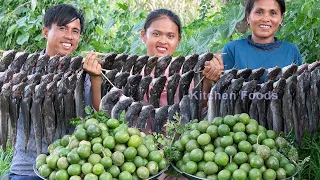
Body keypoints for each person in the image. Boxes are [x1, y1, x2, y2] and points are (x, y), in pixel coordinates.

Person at [84, 8, 223, 111]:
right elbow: (102, 109)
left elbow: (201, 107)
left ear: (178, 40)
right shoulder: (128, 71)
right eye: (156, 34)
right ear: (144, 35)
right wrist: (96, 77)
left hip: (180, 145)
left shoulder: (188, 72)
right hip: (137, 145)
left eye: (170, 36)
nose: (163, 41)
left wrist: (208, 80)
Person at [9, 4, 88, 179]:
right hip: (27, 167)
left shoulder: (82, 73)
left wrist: (96, 79)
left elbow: (93, 112)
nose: (69, 36)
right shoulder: (22, 69)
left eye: (75, 31)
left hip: (68, 167)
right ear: (46, 32)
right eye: (62, 28)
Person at [219, 0, 302, 77]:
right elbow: (221, 88)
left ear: (281, 18)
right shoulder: (232, 50)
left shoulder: (291, 51)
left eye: (273, 13)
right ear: (248, 17)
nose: (265, 19)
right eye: (259, 12)